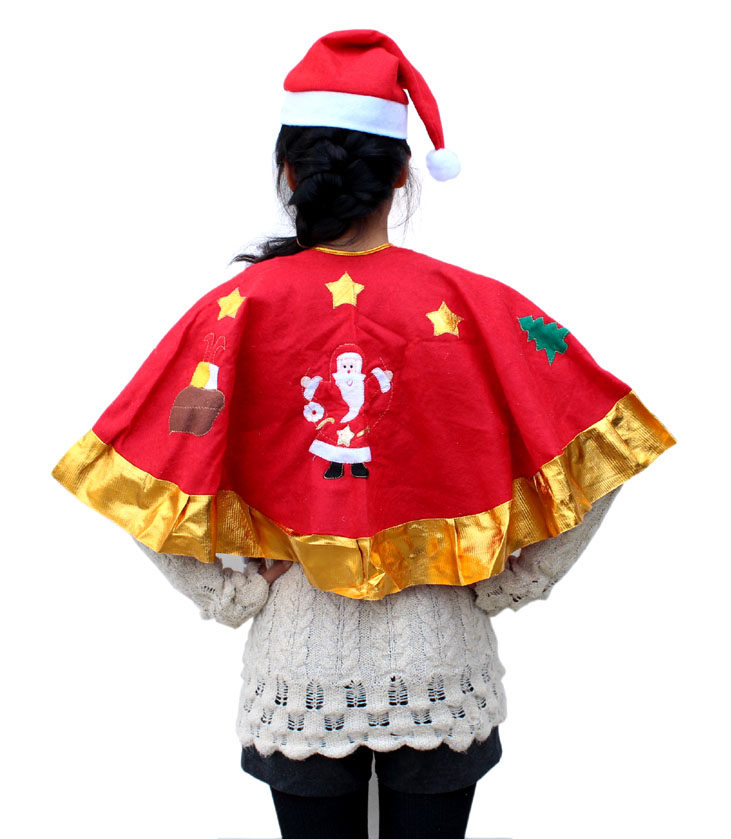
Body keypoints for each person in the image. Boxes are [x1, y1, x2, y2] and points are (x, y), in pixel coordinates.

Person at [51, 29, 675, 839]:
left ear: (289, 173)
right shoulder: (478, 306)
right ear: (403, 174)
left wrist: (231, 594)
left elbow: (144, 470)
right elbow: (605, 445)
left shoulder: (233, 315)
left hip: (296, 674)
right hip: (444, 664)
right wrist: (512, 584)